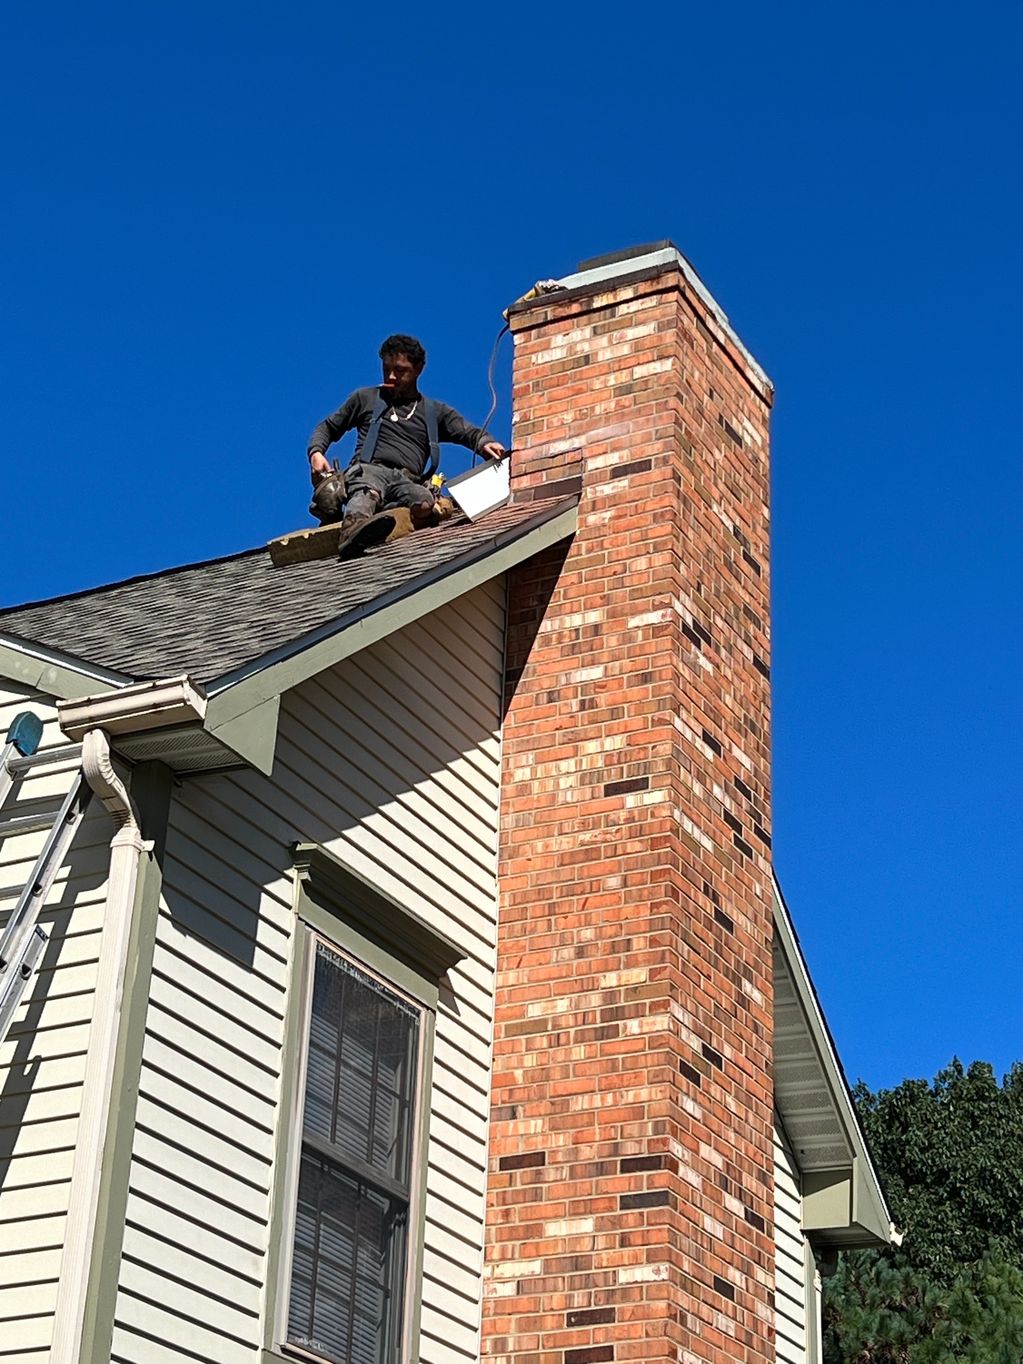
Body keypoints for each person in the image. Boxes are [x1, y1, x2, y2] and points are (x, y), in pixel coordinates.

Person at [307, 334, 505, 556]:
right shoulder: (366, 398)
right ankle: (353, 531)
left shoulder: (433, 412)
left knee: (424, 503)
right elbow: (327, 427)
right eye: (387, 369)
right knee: (368, 490)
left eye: (400, 371)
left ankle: (384, 518)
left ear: (419, 368)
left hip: (406, 480)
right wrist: (316, 453)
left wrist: (485, 443)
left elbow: (468, 432)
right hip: (369, 471)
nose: (391, 376)